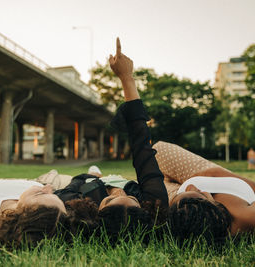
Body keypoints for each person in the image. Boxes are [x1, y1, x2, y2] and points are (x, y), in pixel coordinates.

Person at [52, 38, 168, 240]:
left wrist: (92, 180)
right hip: (116, 178)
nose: (119, 195)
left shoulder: (74, 203)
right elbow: (142, 145)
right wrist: (127, 78)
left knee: (53, 178)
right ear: (142, 208)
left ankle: (94, 172)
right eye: (130, 198)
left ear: (96, 210)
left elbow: (74, 184)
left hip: (87, 179)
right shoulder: (154, 204)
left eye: (110, 200)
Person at [153, 141, 255, 243]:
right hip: (214, 177)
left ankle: (173, 190)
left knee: (152, 163)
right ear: (215, 207)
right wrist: (217, 174)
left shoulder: (183, 217)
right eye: (202, 194)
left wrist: (177, 195)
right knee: (157, 155)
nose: (191, 186)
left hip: (178, 193)